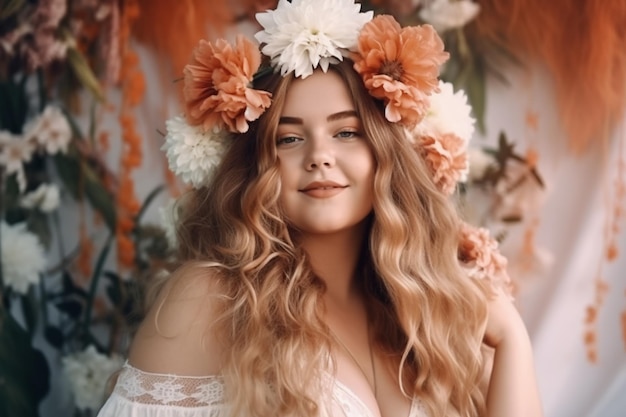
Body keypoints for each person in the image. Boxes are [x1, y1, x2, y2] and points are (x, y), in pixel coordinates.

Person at [97, 0, 543, 416]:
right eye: (289, 139)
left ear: (388, 153)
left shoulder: (431, 316)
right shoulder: (214, 299)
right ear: (256, 166)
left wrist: (510, 338)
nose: (319, 156)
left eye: (346, 132)